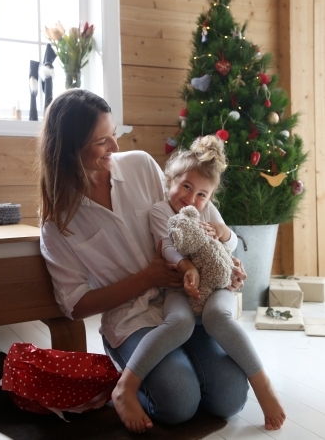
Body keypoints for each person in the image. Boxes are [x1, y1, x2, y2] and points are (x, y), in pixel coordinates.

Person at [38, 89, 248, 434]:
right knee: (179, 403)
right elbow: (73, 306)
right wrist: (147, 277)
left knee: (230, 397)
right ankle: (130, 376)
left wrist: (228, 259)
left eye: (114, 134)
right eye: (102, 141)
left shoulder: (139, 166)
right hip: (133, 319)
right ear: (69, 149)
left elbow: (196, 216)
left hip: (186, 303)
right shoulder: (58, 222)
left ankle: (178, 369)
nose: (116, 148)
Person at [110, 135, 286, 432]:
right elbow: (167, 245)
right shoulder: (160, 211)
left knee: (217, 315)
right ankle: (126, 386)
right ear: (170, 181)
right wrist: (187, 267)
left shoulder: (207, 212)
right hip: (179, 288)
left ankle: (262, 384)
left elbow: (229, 249)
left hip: (217, 286)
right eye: (186, 187)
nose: (192, 199)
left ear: (210, 196)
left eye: (202, 194)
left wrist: (224, 233)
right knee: (179, 322)